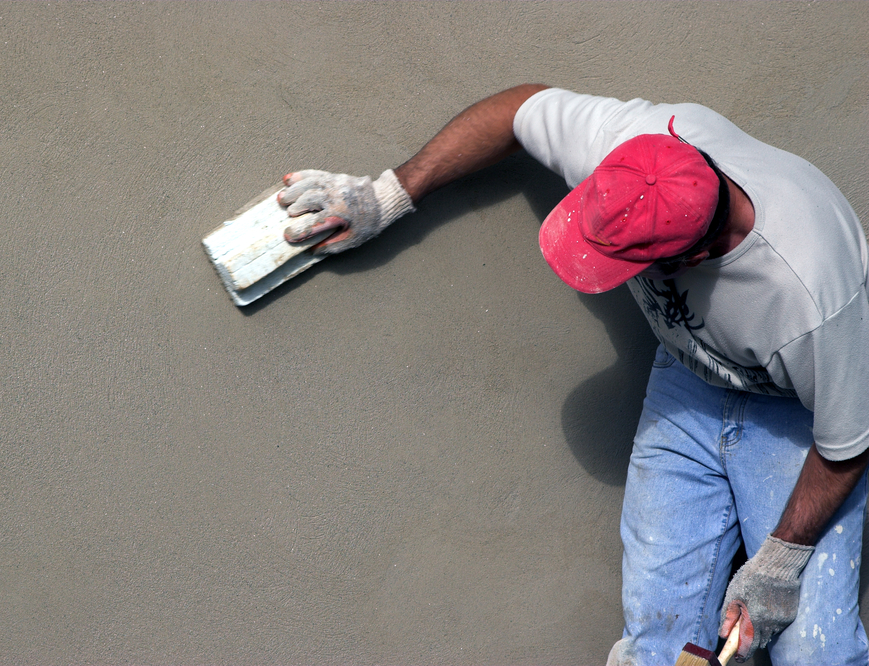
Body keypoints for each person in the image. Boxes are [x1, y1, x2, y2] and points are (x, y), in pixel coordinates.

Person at [276, 84, 869, 665]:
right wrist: (389, 195)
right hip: (689, 381)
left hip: (800, 413)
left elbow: (846, 444)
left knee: (815, 650)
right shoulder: (634, 152)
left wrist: (779, 562)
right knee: (655, 648)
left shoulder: (812, 293)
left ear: (689, 259)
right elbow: (517, 110)